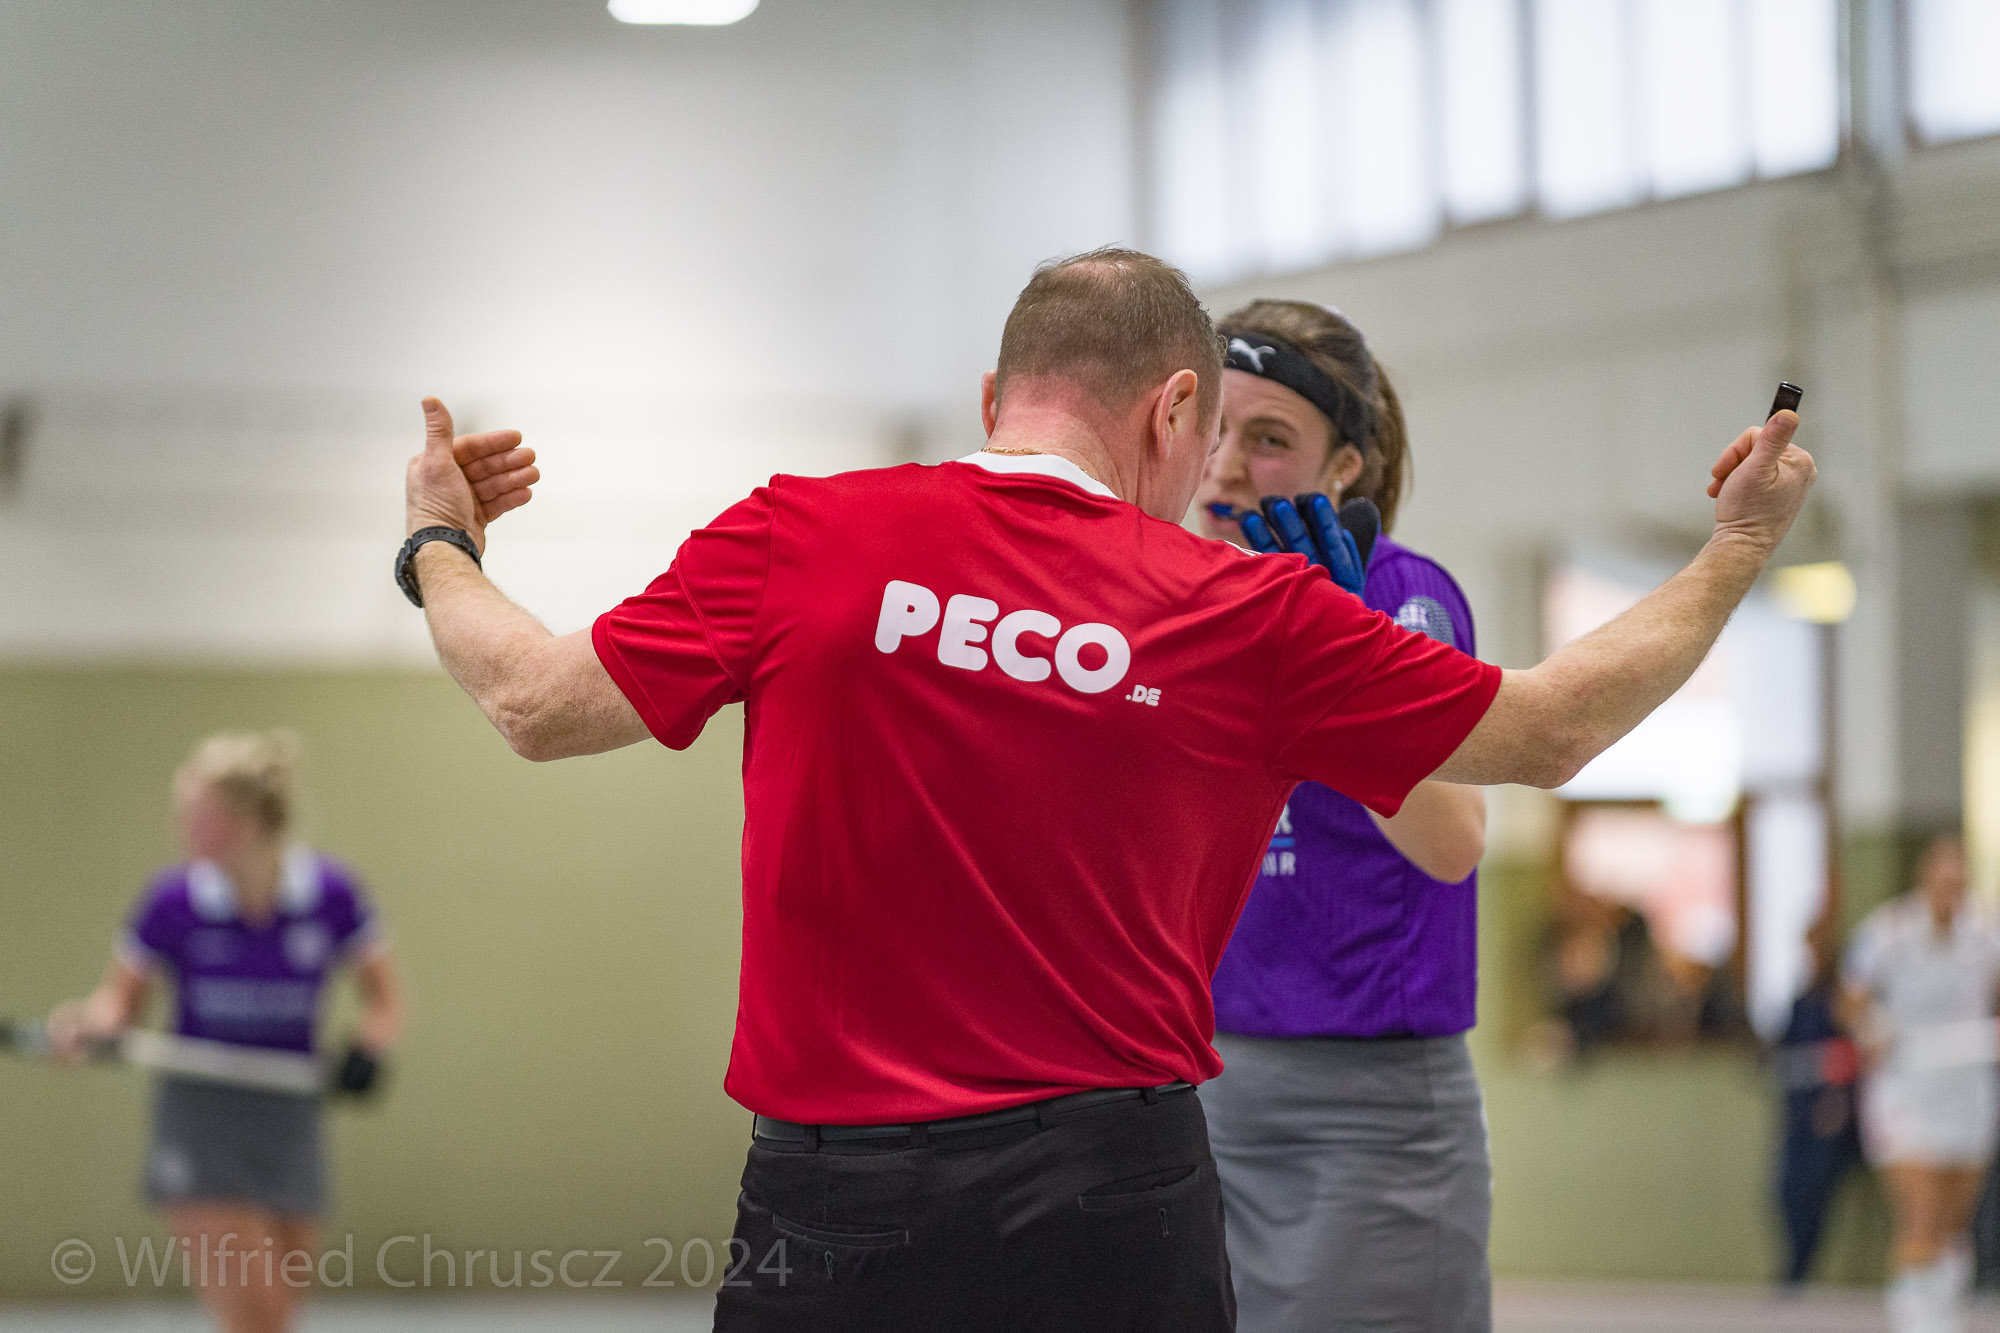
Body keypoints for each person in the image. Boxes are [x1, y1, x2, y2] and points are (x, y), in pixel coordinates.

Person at [396, 246, 1814, 1332]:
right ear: (1174, 408)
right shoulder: (1243, 613)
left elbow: (532, 702)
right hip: (1112, 1201)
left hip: (828, 1198)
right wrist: (1737, 546)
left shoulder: (798, 534)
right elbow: (1552, 728)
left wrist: (438, 546)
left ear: (992, 400)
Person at [1189, 299, 1494, 1333]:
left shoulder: (1401, 598)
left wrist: (1339, 650)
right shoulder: (1179, 606)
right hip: (1201, 1088)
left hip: (1365, 1109)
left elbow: (1452, 844)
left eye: (1270, 439)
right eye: (1213, 429)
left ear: (1344, 469)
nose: (1228, 466)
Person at [48, 730, 400, 1333]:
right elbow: (119, 1005)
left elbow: (385, 1001)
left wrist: (367, 1048)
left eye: (198, 815)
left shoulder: (330, 894)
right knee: (256, 1317)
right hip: (202, 1120)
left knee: (277, 1315)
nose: (181, 828)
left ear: (249, 821)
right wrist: (85, 1025)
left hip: (290, 1112)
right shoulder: (171, 902)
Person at [1843, 833, 2000, 1333]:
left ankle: (1944, 1313)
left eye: (1959, 880)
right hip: (1906, 1090)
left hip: (1968, 1089)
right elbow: (1850, 997)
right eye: (1942, 877)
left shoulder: (1986, 934)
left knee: (1954, 1218)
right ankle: (1915, 1320)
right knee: (1922, 1210)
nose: (1951, 889)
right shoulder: (1886, 931)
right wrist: (1873, 1028)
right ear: (1924, 876)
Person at [1772, 914, 1863, 1288]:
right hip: (1798, 1110)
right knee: (1786, 1191)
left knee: (1815, 1190)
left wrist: (1838, 1102)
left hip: (1828, 1114)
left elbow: (1849, 1052)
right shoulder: (1801, 998)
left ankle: (1804, 1266)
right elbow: (1788, 1049)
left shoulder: (1840, 998)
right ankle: (1794, 1265)